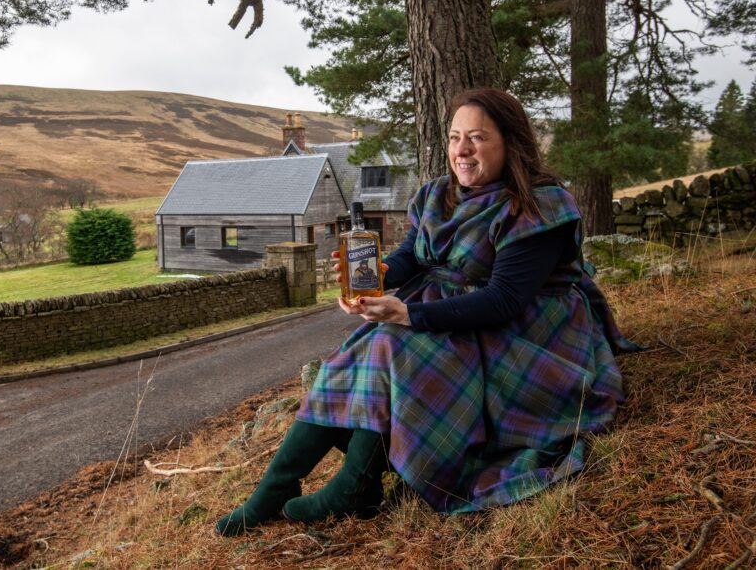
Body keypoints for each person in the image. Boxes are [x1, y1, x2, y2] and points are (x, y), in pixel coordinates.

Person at [215, 87, 634, 536]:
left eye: (477, 138)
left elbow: (505, 299)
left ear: (511, 142)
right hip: (460, 314)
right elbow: (415, 257)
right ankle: (280, 488)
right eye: (455, 137)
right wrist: (376, 273)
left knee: (393, 342)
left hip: (531, 334)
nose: (462, 150)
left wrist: (409, 315)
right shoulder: (439, 194)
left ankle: (355, 485)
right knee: (371, 342)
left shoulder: (538, 205)